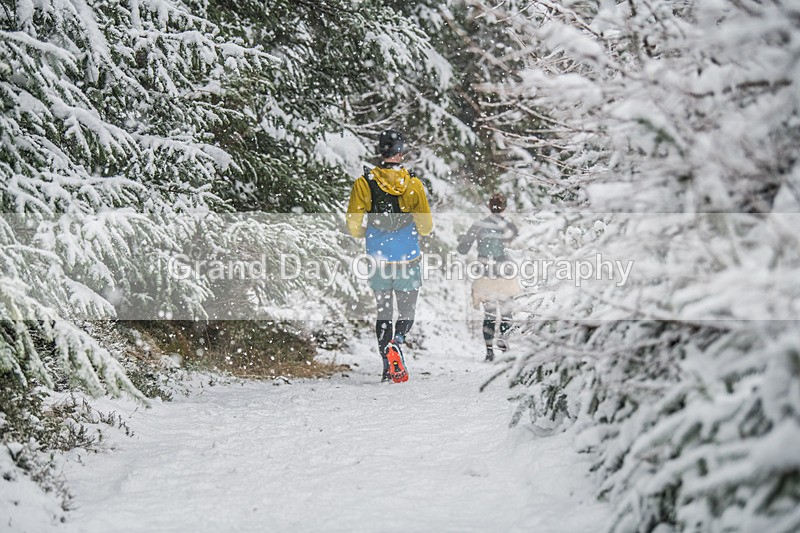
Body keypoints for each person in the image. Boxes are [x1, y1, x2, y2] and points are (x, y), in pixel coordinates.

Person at [346, 130, 432, 382]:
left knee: (384, 312)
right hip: (408, 257)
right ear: (401, 153)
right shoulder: (413, 183)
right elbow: (426, 226)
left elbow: (353, 224)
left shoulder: (365, 182)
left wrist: (366, 232)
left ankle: (387, 367)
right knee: (406, 311)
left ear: (381, 152)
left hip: (378, 258)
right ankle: (398, 340)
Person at [457, 192, 520, 361]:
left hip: (485, 275)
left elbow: (462, 249)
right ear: (505, 208)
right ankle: (504, 344)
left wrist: (462, 240)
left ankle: (489, 352)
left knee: (489, 315)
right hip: (506, 275)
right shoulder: (510, 226)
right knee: (507, 313)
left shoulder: (478, 225)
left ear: (488, 206)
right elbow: (517, 246)